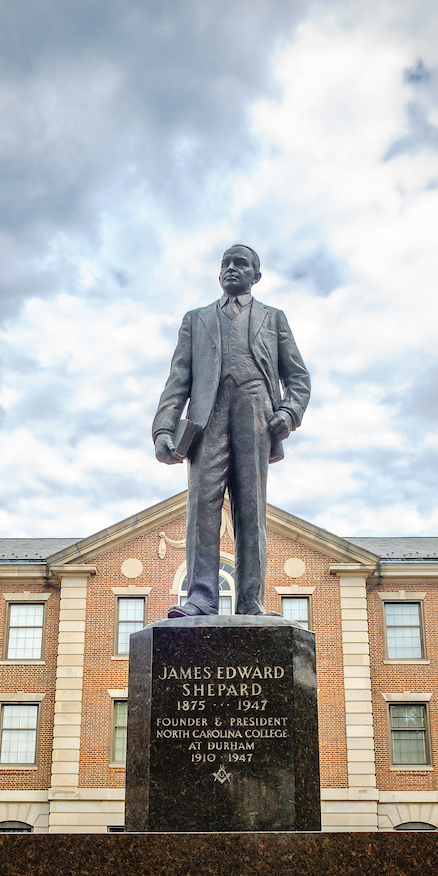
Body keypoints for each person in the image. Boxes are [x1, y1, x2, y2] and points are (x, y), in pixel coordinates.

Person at [153, 244, 311, 616]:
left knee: (251, 509)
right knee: (202, 507)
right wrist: (163, 427)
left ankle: (250, 602)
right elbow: (178, 380)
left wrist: (288, 413)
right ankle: (201, 598)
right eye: (225, 263)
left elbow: (299, 378)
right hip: (206, 419)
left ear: (256, 276)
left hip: (255, 413)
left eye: (241, 264)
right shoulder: (196, 319)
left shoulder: (273, 318)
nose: (231, 269)